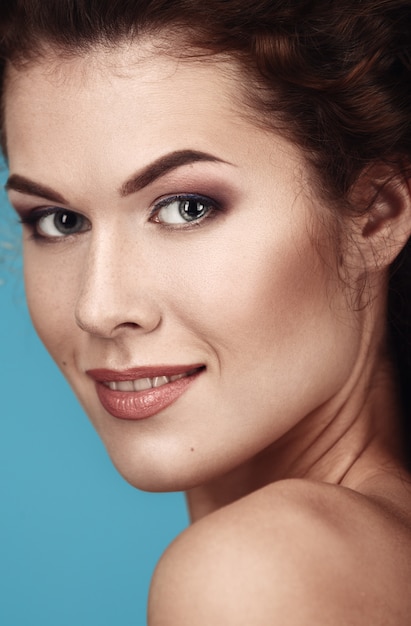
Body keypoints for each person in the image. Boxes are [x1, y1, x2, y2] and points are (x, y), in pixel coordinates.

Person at [1, 0, 411, 623]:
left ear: (376, 215)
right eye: (59, 222)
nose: (99, 308)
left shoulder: (256, 574)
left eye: (186, 207)